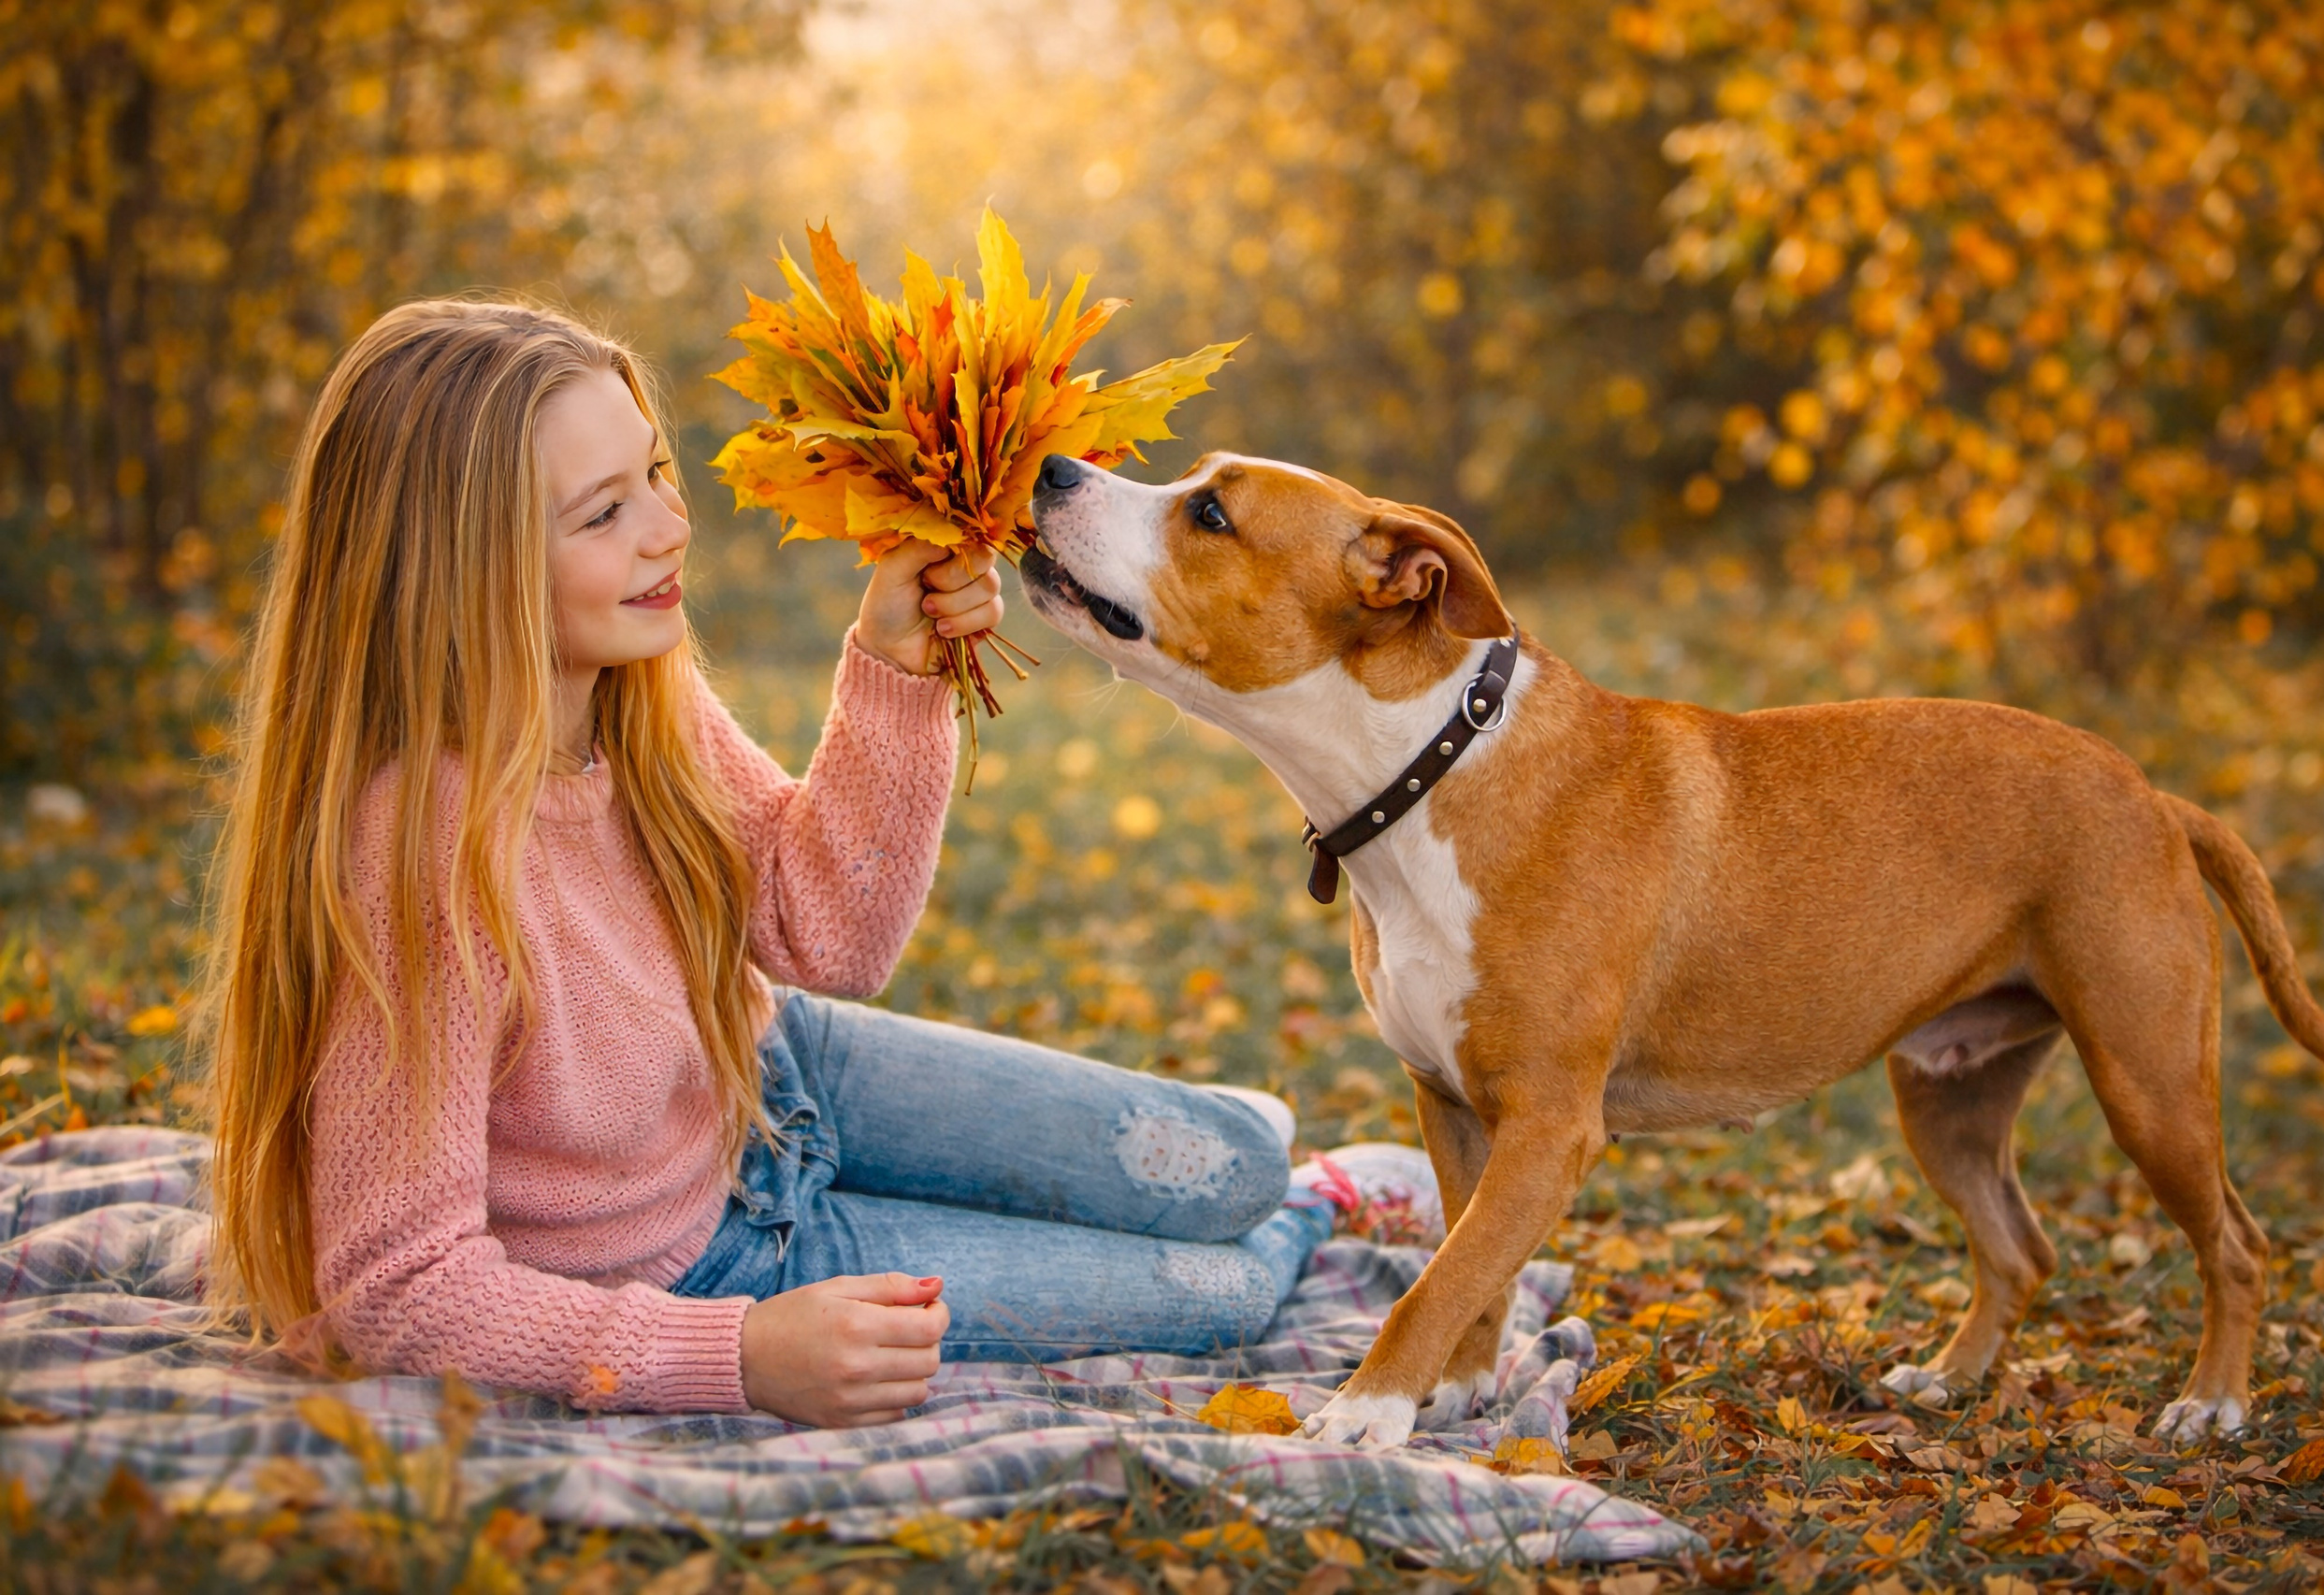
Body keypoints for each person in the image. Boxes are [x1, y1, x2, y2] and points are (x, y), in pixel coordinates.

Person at [197, 297, 1438, 1427]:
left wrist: (896, 671)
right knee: (1216, 1288)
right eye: (605, 511)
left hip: (781, 1075)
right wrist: (735, 1351)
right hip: (720, 1264)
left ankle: (1279, 1173)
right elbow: (397, 1288)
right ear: (457, 569)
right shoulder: (422, 858)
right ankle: (1318, 1209)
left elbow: (830, 936)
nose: (672, 529)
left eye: (657, 474)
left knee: (1234, 1164)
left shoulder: (635, 700)